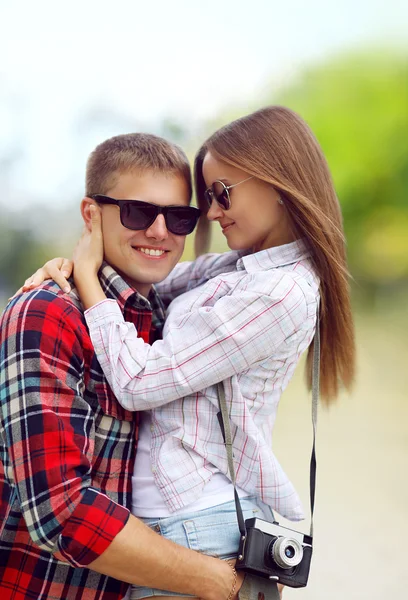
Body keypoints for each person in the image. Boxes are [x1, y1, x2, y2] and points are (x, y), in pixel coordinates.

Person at [19, 106, 355, 600]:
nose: (213, 214)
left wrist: (87, 281)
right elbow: (146, 281)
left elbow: (139, 384)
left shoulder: (281, 292)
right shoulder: (240, 271)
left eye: (221, 194)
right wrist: (73, 265)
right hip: (179, 521)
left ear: (278, 182)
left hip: (196, 525)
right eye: (205, 202)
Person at [0, 133, 240, 600]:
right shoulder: (49, 313)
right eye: (137, 212)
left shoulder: (168, 322)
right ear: (92, 214)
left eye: (178, 217)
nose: (159, 232)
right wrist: (218, 581)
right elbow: (61, 511)